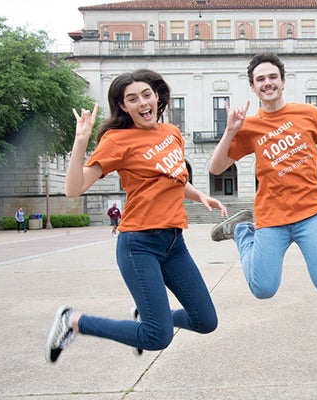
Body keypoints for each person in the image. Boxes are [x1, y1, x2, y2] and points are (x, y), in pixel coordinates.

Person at [45, 69, 227, 363]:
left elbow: (173, 179)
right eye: (132, 99)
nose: (142, 103)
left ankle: (148, 315)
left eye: (146, 95)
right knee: (157, 337)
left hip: (173, 243)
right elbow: (73, 188)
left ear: (157, 97)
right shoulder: (118, 140)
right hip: (138, 244)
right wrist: (81, 141)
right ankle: (74, 321)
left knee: (205, 321)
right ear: (122, 106)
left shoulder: (172, 134)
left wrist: (200, 195)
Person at [209, 52, 317, 300]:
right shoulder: (248, 126)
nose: (267, 83)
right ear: (253, 86)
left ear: (283, 81)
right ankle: (242, 231)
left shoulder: (309, 113)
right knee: (262, 289)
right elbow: (216, 169)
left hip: (309, 212)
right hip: (271, 215)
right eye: (260, 79)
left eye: (272, 77)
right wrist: (229, 132)